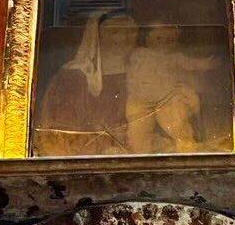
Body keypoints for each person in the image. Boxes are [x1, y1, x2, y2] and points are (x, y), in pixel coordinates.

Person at [33, 11, 138, 156]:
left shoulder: (147, 68)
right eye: (114, 32)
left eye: (130, 31)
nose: (123, 38)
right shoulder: (73, 75)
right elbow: (60, 128)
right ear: (97, 35)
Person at [125, 24, 218, 153]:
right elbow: (123, 62)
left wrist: (205, 63)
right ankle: (140, 152)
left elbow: (190, 64)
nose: (163, 43)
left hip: (166, 99)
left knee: (178, 126)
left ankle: (186, 146)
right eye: (158, 38)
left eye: (170, 40)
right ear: (147, 38)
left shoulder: (174, 57)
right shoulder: (138, 53)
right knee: (137, 131)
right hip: (139, 101)